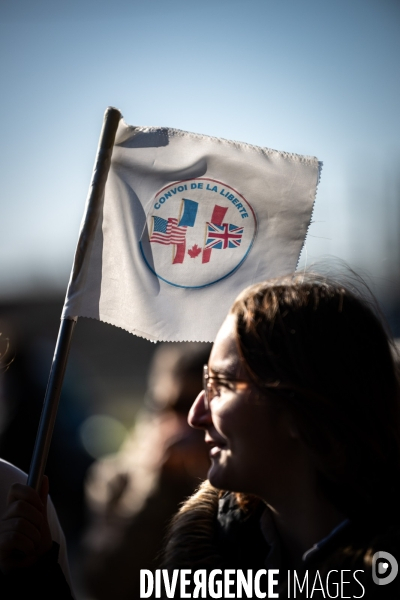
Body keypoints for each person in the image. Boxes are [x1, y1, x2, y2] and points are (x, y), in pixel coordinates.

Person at [161, 273, 400, 598]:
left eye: (221, 386)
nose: (196, 416)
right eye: (207, 382)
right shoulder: (204, 558)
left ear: (299, 404)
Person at [80, 342, 211, 599]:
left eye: (201, 406)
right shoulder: (116, 479)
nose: (189, 422)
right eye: (173, 407)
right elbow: (104, 582)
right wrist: (155, 484)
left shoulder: (240, 479)